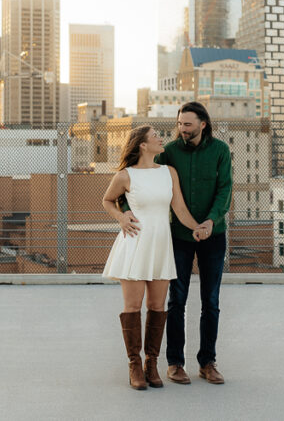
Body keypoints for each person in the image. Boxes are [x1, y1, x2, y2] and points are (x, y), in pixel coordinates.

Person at [101, 124, 207, 391]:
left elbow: (179, 208)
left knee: (159, 307)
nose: (162, 139)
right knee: (133, 307)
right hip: (135, 244)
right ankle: (134, 365)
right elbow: (107, 200)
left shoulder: (168, 172)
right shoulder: (125, 176)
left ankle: (151, 364)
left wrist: (198, 227)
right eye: (155, 136)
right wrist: (121, 217)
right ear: (142, 146)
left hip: (161, 244)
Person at [155, 102, 231, 385]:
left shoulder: (220, 151)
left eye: (187, 124)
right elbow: (148, 180)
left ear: (203, 124)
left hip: (214, 233)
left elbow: (225, 188)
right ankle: (175, 363)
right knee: (177, 300)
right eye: (179, 124)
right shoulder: (169, 153)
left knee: (210, 301)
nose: (182, 129)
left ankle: (207, 362)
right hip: (179, 237)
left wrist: (211, 221)